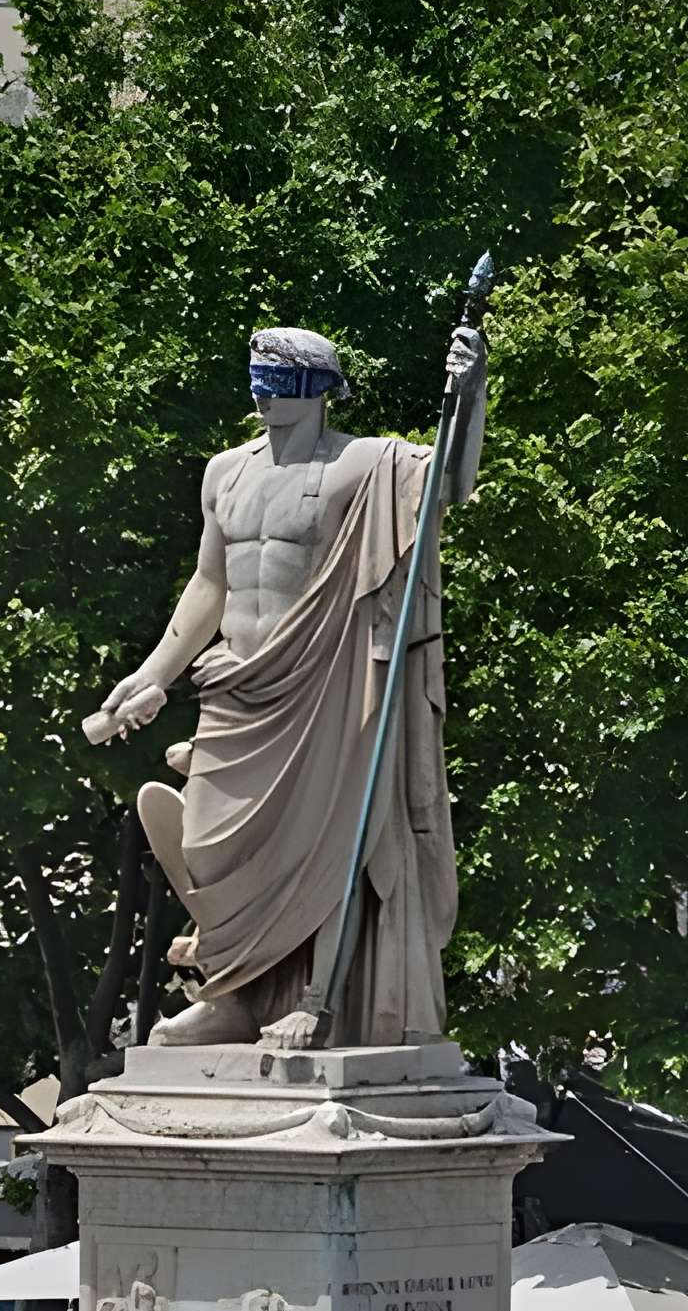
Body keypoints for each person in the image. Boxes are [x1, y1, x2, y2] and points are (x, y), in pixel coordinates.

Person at [90, 318, 486, 1049]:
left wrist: (469, 389)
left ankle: (314, 996)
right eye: (258, 381)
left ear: (318, 391)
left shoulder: (364, 466)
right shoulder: (226, 471)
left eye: (280, 384)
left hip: (326, 685)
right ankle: (232, 994)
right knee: (209, 841)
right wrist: (151, 678)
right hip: (235, 687)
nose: (264, 397)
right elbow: (208, 583)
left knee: (331, 841)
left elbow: (451, 484)